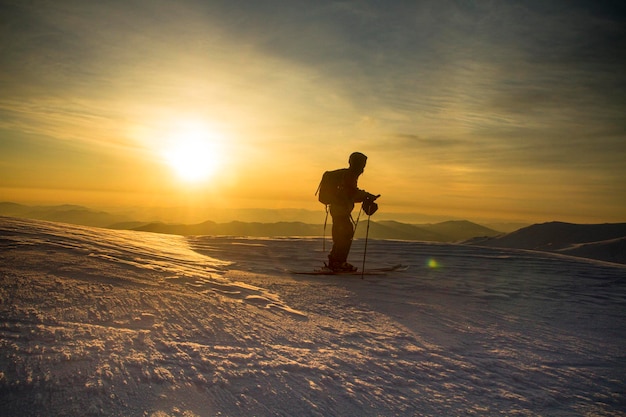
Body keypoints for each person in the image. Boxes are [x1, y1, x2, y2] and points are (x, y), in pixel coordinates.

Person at [326, 152, 379, 272]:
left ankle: (336, 262)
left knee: (342, 236)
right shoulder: (350, 175)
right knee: (344, 236)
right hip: (340, 210)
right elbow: (352, 193)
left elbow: (351, 194)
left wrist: (366, 196)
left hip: (338, 210)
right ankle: (337, 263)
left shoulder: (347, 175)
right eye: (362, 164)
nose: (363, 168)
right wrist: (367, 196)